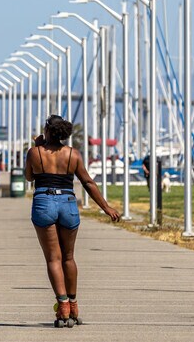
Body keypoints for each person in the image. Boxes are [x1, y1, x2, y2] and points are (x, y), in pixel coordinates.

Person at [25, 114, 120, 328]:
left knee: (53, 259)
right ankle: (74, 305)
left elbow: (29, 177)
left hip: (44, 202)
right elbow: (87, 181)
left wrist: (37, 147)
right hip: (68, 202)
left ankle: (63, 306)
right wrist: (106, 207)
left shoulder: (34, 153)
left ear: (47, 131)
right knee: (68, 257)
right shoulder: (73, 154)